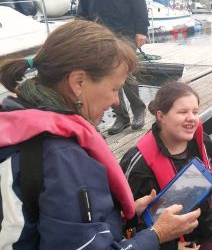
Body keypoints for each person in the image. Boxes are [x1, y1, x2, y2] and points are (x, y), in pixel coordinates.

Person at [0, 20, 201, 249]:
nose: (116, 101)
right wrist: (157, 234)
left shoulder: (17, 119)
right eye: (115, 88)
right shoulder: (62, 156)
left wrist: (125, 213)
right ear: (78, 82)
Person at [120, 81, 212, 250]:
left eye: (195, 112)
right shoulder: (138, 164)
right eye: (183, 112)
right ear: (161, 116)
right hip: (176, 239)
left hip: (208, 222)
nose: (191, 118)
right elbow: (129, 226)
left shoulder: (203, 142)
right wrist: (174, 246)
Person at [77, 0, 149, 135]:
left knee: (126, 73)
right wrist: (79, 30)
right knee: (105, 76)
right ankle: (121, 117)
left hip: (125, 30)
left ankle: (138, 110)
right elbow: (83, 6)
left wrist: (141, 29)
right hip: (98, 32)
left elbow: (138, 1)